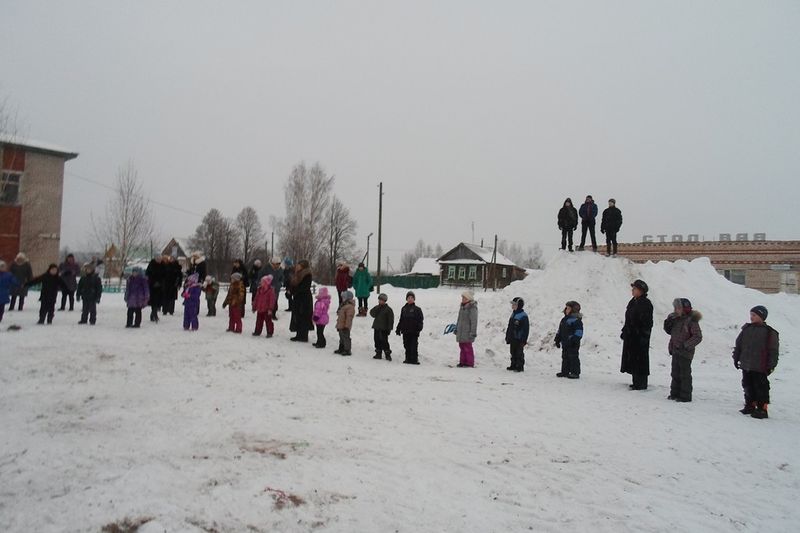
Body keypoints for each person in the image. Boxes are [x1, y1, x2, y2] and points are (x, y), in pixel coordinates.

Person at [733, 306, 780, 419]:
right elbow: (739, 345)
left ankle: (762, 409)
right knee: (747, 385)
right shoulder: (746, 329)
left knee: (761, 387)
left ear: (762, 317)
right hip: (746, 364)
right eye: (751, 314)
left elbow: (773, 350)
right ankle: (750, 405)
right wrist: (736, 358)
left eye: (754, 315)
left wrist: (771, 365)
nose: (751, 317)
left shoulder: (769, 332)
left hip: (760, 366)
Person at [663, 298, 703, 402]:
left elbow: (698, 336)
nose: (676, 310)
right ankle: (675, 393)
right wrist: (668, 322)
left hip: (685, 352)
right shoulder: (676, 319)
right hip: (675, 349)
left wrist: (686, 345)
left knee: (684, 374)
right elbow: (670, 332)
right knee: (675, 373)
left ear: (684, 309)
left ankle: (685, 395)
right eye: (675, 308)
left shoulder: (691, 321)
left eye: (678, 308)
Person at [620, 279, 653, 390]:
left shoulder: (645, 303)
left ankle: (641, 383)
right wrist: (625, 331)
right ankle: (636, 381)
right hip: (631, 336)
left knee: (640, 359)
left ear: (641, 290)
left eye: (635, 289)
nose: (632, 291)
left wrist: (642, 334)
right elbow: (629, 318)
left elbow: (646, 322)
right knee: (633, 358)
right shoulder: (633, 301)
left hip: (640, 337)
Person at [555, 301, 584, 378]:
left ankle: (575, 372)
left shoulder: (576, 320)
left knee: (573, 357)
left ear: (573, 310)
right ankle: (565, 371)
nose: (566, 310)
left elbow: (579, 332)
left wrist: (574, 339)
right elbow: (560, 330)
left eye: (568, 308)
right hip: (565, 342)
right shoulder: (564, 320)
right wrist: (557, 339)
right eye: (566, 308)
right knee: (565, 357)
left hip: (572, 343)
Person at [396, 291, 424, 364]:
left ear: (414, 299)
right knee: (406, 345)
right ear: (406, 299)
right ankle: (407, 358)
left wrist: (419, 328)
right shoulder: (404, 309)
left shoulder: (417, 309)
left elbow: (420, 320)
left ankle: (414, 359)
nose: (410, 299)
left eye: (411, 298)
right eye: (408, 298)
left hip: (414, 331)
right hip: (405, 331)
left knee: (413, 345)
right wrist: (398, 328)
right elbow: (401, 319)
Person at [288, 260, 313, 342]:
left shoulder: (307, 275)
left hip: (304, 298)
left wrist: (294, 291)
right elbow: (293, 285)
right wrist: (290, 291)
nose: (297, 266)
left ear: (303, 266)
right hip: (297, 298)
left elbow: (304, 287)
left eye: (299, 265)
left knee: (304, 316)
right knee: (297, 316)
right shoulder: (297, 274)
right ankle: (299, 334)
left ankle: (304, 336)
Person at [505, 297, 530, 372]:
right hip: (512, 338)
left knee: (519, 353)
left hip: (519, 339)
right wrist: (508, 336)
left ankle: (520, 366)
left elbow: (526, 330)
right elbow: (510, 326)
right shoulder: (513, 314)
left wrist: (523, 340)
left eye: (514, 304)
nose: (512, 306)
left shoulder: (523, 316)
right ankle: (513, 364)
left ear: (519, 305)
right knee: (512, 352)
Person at [456, 291, 478, 368]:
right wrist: (457, 328)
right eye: (462, 297)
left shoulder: (472, 308)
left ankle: (469, 363)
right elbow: (459, 319)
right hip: (461, 331)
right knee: (462, 346)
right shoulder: (462, 307)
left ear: (468, 298)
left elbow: (474, 321)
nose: (462, 299)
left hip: (467, 331)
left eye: (464, 297)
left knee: (467, 347)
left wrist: (473, 332)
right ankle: (462, 361)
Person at [370, 293, 394, 361]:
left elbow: (391, 320)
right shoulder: (377, 307)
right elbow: (372, 313)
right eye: (380, 300)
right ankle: (378, 353)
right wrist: (377, 308)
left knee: (384, 341)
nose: (380, 301)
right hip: (377, 327)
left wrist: (389, 328)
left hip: (384, 329)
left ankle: (387, 354)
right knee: (376, 340)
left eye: (382, 300)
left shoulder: (388, 309)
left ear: (385, 301)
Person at [335, 290, 356, 356]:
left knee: (346, 337)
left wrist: (347, 326)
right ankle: (341, 348)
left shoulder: (350, 307)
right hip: (341, 324)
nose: (342, 299)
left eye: (344, 298)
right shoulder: (343, 305)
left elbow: (349, 317)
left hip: (345, 326)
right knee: (341, 337)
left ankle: (347, 350)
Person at [145, 255, 165, 323]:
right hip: (152, 287)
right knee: (154, 301)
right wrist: (154, 282)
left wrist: (161, 283)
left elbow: (165, 275)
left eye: (160, 259)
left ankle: (154, 314)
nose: (159, 260)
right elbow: (148, 274)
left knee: (158, 302)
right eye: (158, 259)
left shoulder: (163, 265)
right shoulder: (151, 265)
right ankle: (154, 315)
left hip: (160, 287)